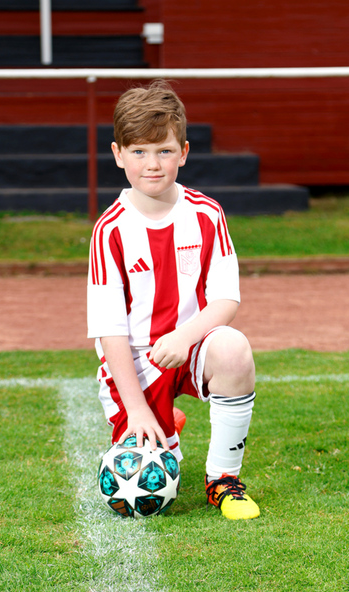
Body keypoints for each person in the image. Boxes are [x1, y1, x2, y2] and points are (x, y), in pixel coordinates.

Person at [87, 80, 260, 520]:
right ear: (118, 154)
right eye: (139, 152)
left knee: (234, 348)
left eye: (164, 151)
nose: (152, 164)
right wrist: (138, 409)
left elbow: (226, 298)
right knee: (140, 488)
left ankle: (223, 480)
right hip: (137, 360)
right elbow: (110, 330)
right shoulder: (110, 230)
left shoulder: (207, 214)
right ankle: (160, 419)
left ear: (183, 152)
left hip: (192, 345)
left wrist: (185, 337)